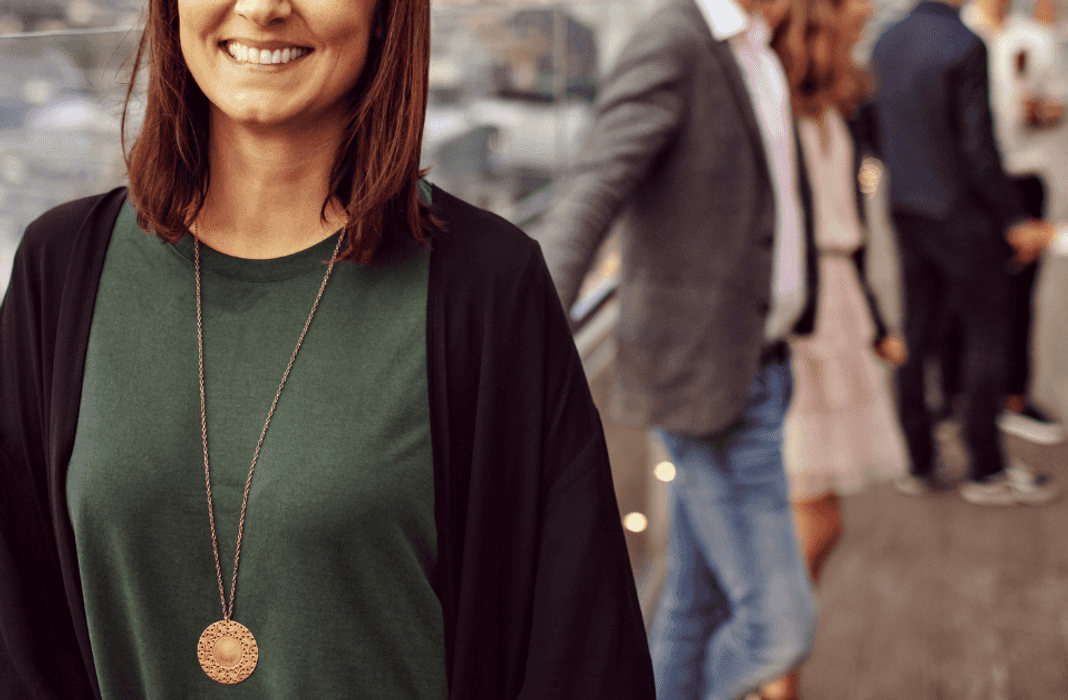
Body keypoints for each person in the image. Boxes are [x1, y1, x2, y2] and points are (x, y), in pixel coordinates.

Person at [0, 0, 654, 698]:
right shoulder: (62, 266)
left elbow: (577, 650)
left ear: (385, 14)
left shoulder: (488, 287)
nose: (260, 8)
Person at [537, 0, 821, 697]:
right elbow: (592, 185)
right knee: (779, 629)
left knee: (693, 605)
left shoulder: (755, 45)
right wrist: (527, 331)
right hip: (710, 384)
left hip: (761, 368)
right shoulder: (674, 40)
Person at [757, 0, 909, 696]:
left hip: (839, 303)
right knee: (808, 508)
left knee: (815, 509)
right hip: (799, 315)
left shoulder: (839, 105)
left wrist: (876, 320)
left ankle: (776, 657)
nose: (867, 12)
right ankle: (775, 662)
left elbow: (854, 223)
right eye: (852, 5)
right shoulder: (767, 104)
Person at [871, 0, 1061, 505]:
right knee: (986, 330)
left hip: (906, 204)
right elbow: (978, 147)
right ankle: (985, 467)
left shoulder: (886, 40)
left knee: (918, 328)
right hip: (959, 211)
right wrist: (1013, 219)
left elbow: (870, 125)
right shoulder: (963, 43)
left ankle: (918, 460)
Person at [951, 0, 1068, 446]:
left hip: (1021, 174)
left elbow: (1056, 109)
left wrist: (1038, 111)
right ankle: (961, 396)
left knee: (1021, 294)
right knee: (966, 293)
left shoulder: (1035, 41)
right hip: (972, 184)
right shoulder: (956, 35)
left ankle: (1014, 397)